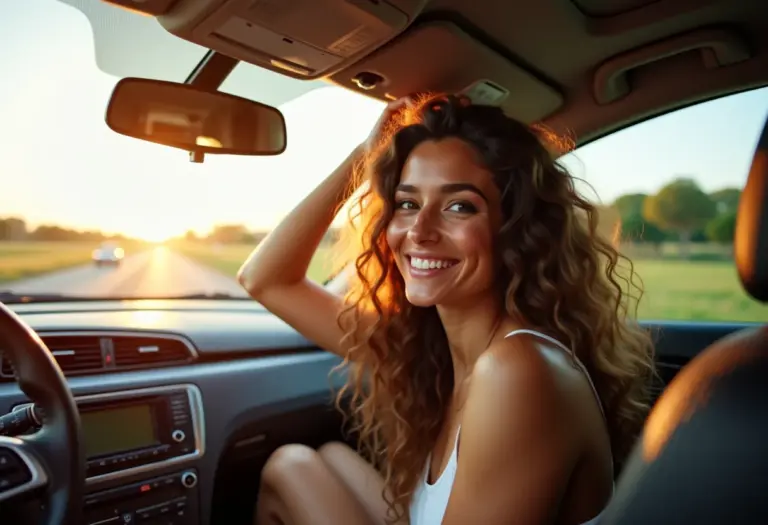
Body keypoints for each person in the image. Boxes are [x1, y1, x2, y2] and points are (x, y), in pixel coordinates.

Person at [237, 93, 656, 525]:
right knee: (301, 463)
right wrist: (365, 157)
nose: (419, 231)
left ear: (518, 229)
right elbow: (265, 280)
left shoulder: (519, 371)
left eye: (459, 206)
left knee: (292, 469)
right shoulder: (434, 349)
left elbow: (267, 281)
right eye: (407, 203)